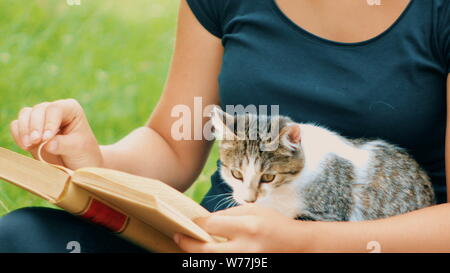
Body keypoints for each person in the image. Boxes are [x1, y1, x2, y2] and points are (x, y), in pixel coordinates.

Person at [1, 0, 449, 253]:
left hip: (376, 245)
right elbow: (172, 146)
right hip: (222, 253)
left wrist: (304, 243)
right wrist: (92, 159)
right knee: (24, 239)